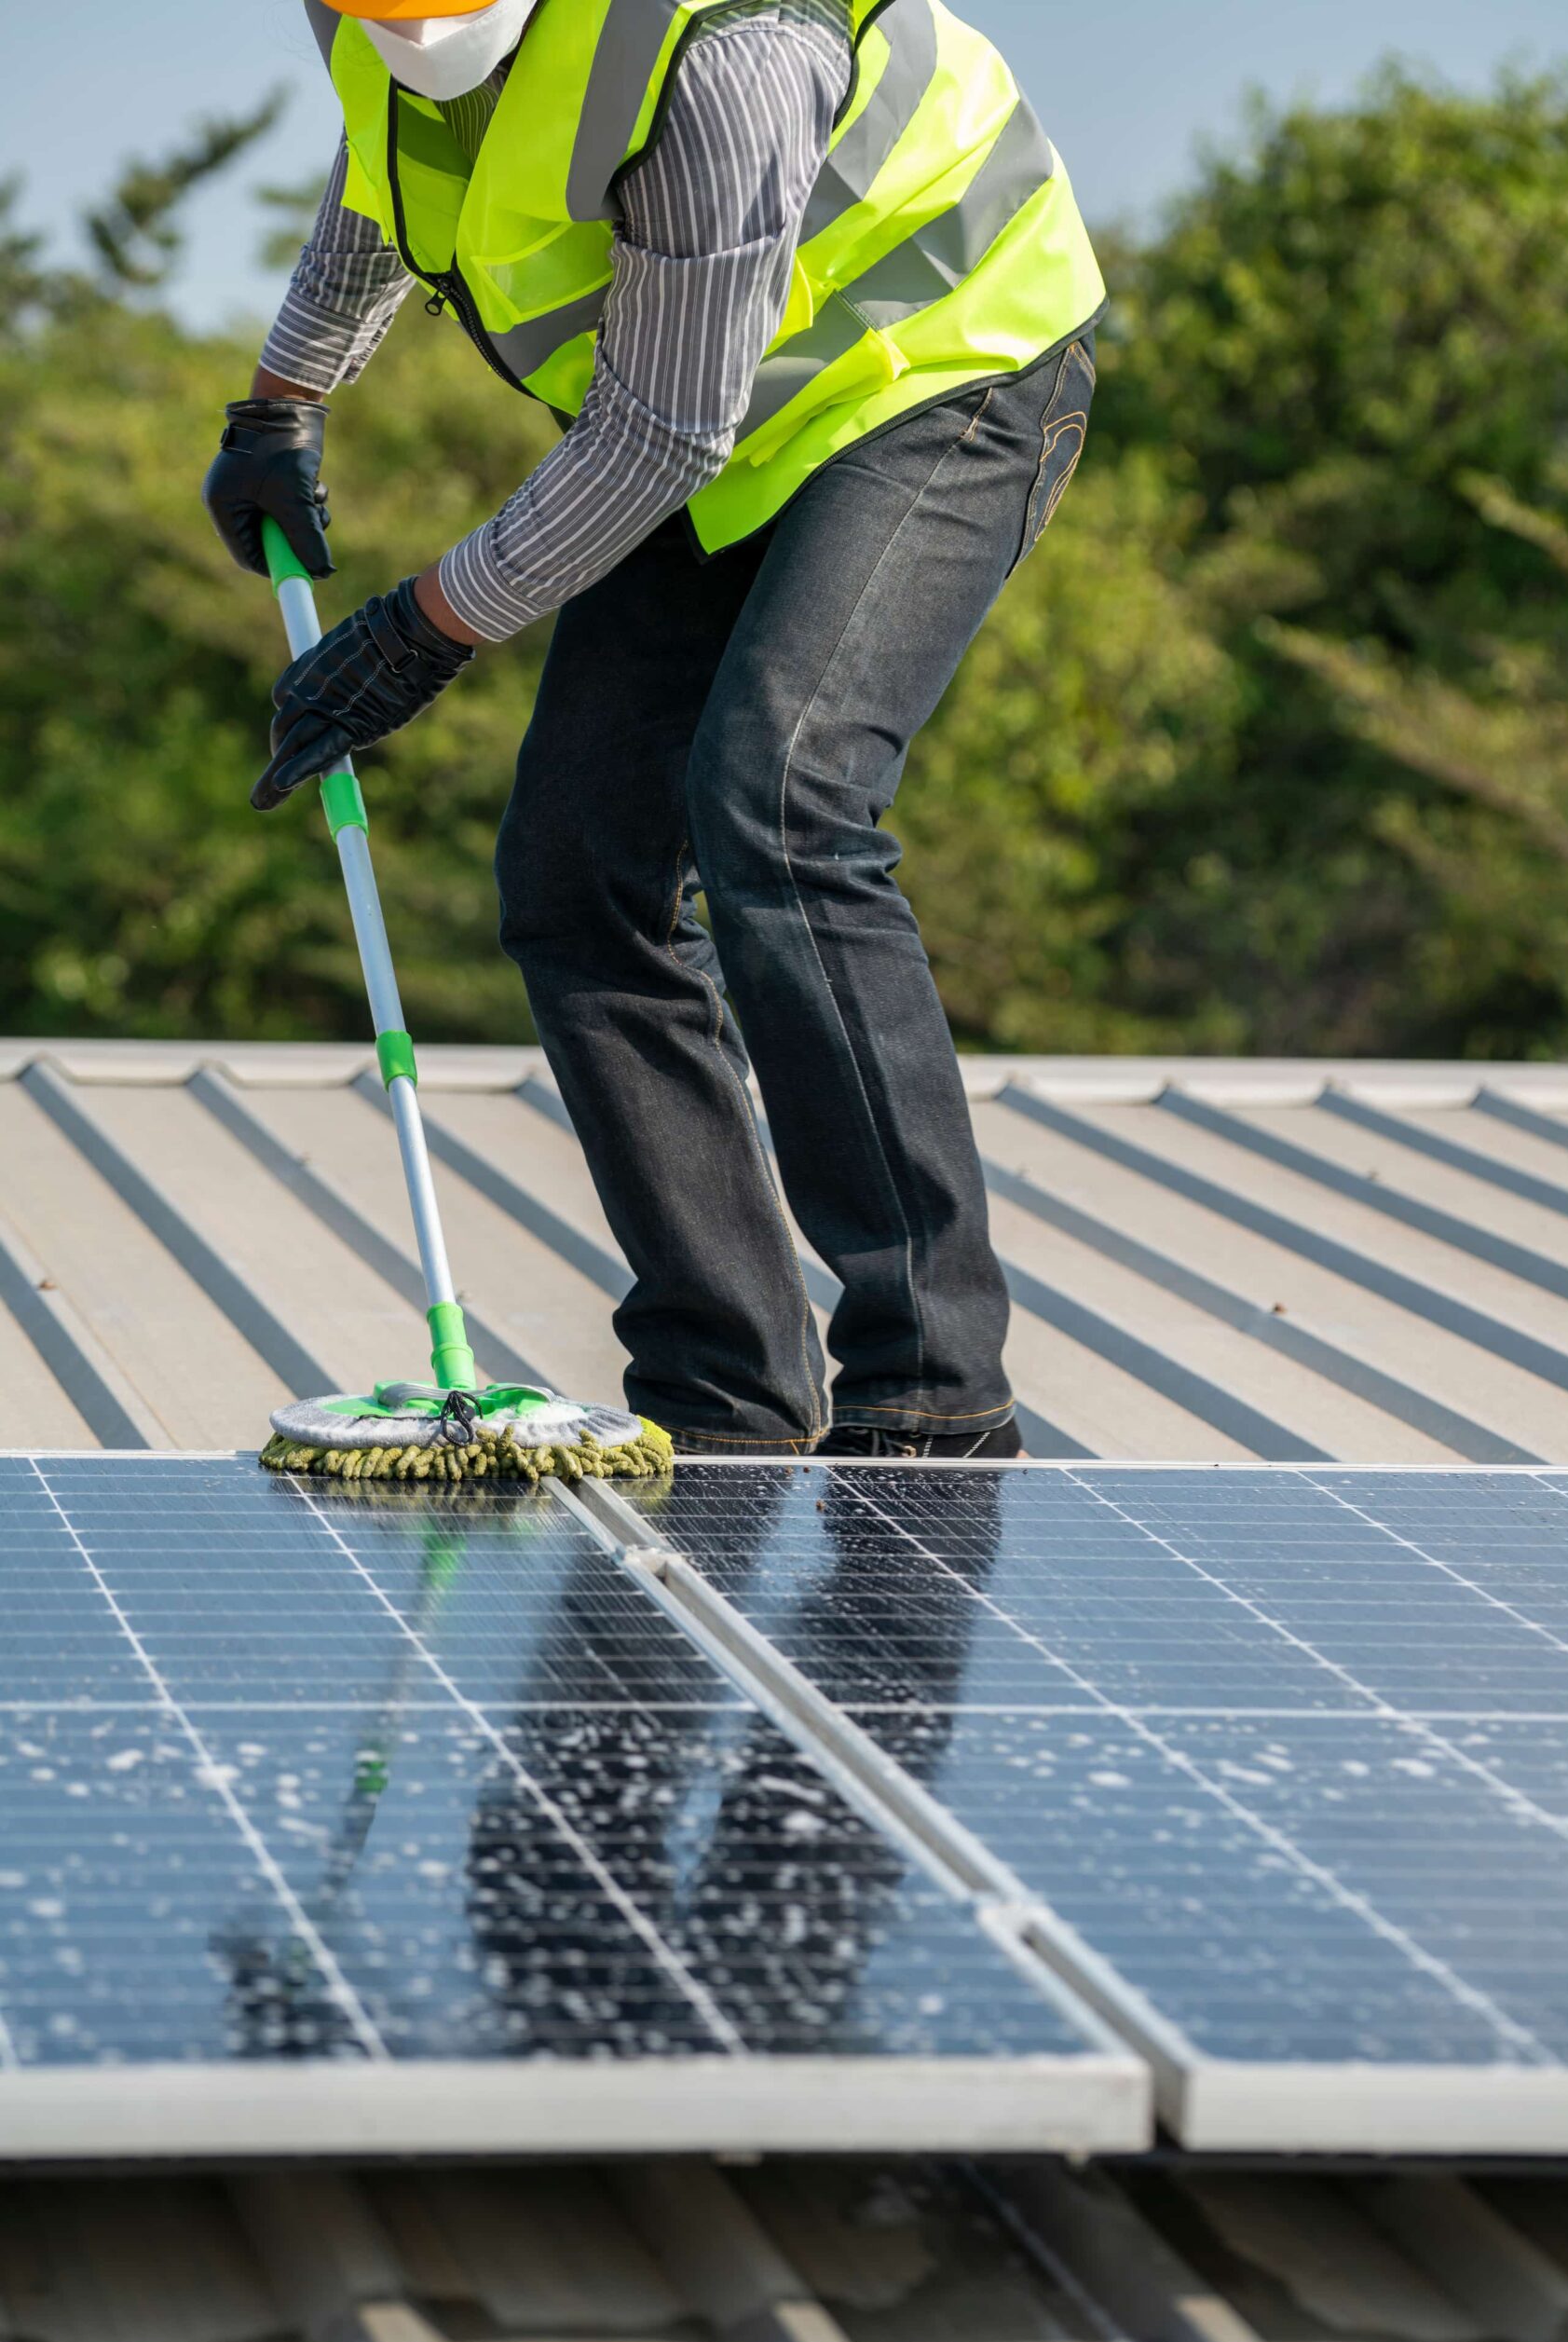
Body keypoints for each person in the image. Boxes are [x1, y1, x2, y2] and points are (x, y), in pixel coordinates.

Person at [203, 0, 1104, 1459]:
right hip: (721, 417)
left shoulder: (727, 48)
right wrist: (282, 399)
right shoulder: (362, 17)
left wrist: (421, 628)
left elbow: (660, 432)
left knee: (781, 800)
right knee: (576, 873)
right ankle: (726, 1385)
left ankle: (934, 1388)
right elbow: (392, 168)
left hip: (934, 363)